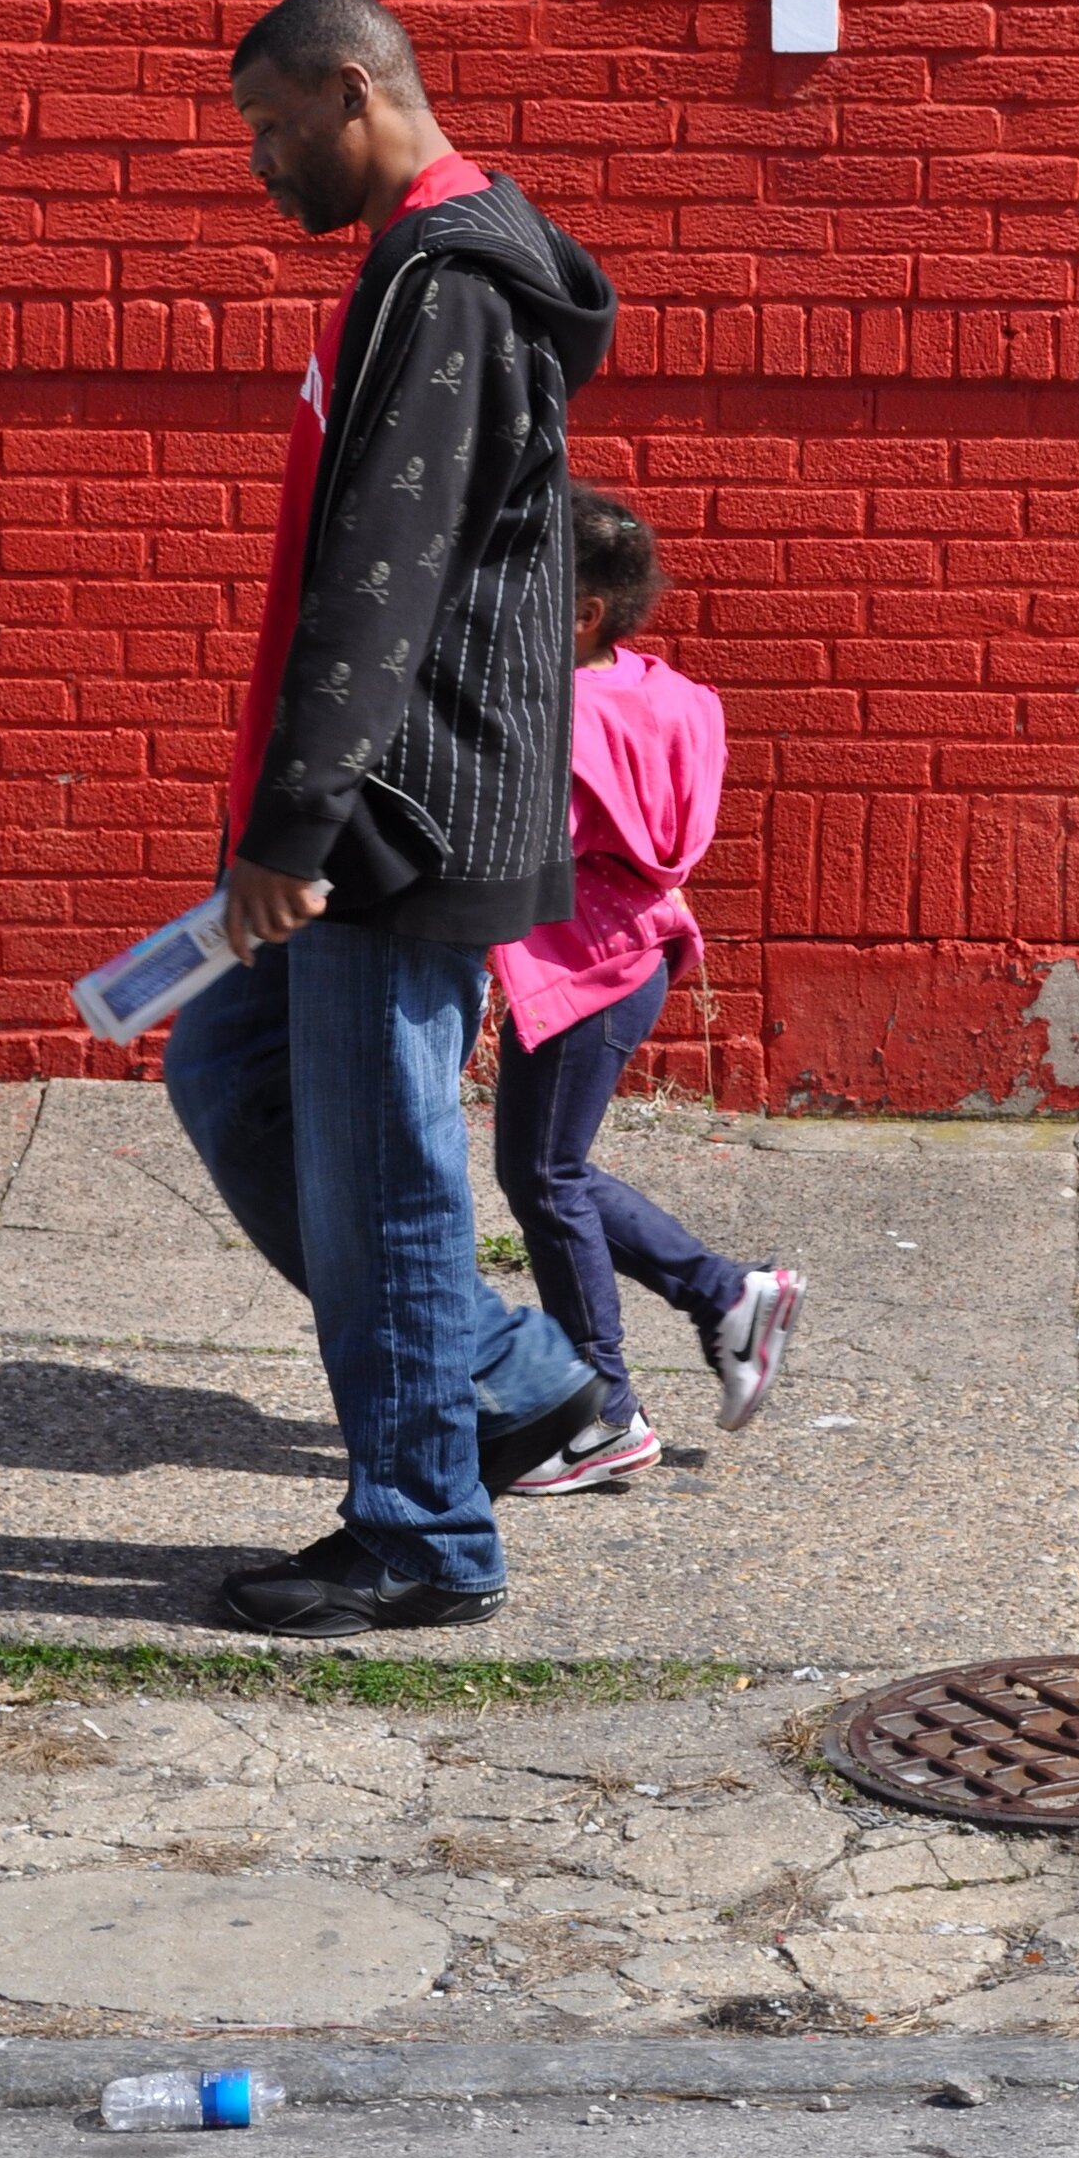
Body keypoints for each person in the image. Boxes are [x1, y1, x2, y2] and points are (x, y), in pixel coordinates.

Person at [163, 0, 618, 1638]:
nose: (267, 162)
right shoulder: (420, 266)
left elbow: (384, 582)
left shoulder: (443, 285)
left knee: (386, 1169)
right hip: (378, 793)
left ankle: (424, 1525)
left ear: (358, 91)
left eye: (279, 126)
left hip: (392, 811)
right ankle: (502, 1377)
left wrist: (296, 827)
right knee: (224, 1066)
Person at [488, 484, 803, 1491]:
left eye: (521, 584)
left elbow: (518, 848)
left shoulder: (555, 719)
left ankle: (604, 1414)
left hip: (578, 966)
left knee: (543, 1179)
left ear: (583, 609)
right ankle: (725, 1296)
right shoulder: (665, 694)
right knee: (551, 1171)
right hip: (634, 956)